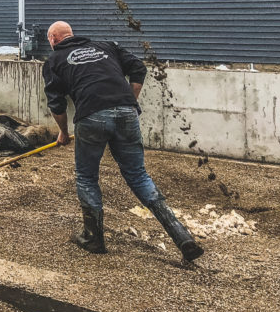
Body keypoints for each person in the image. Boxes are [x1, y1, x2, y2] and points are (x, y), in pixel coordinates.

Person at [42, 21, 203, 262]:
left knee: (87, 177)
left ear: (53, 40)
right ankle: (182, 236)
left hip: (91, 117)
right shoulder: (107, 46)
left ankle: (93, 237)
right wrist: (129, 100)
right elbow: (138, 68)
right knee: (138, 175)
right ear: (71, 34)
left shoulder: (54, 61)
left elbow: (56, 104)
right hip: (127, 113)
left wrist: (63, 133)